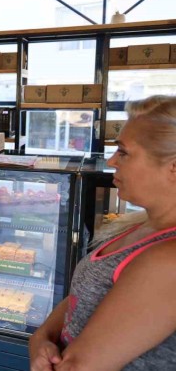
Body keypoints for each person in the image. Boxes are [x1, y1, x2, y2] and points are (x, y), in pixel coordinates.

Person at [29, 95, 176, 371]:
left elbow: (78, 366)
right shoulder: (139, 226)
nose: (111, 160)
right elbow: (83, 296)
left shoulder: (168, 261)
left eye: (124, 152)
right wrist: (42, 337)